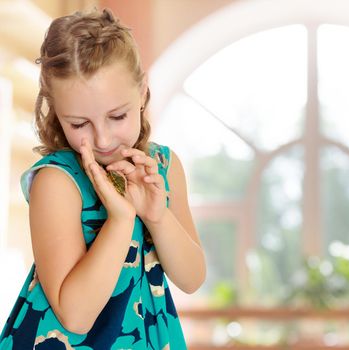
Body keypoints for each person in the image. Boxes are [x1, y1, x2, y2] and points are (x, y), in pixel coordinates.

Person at [0, 8, 206, 350]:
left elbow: (192, 278)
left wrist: (157, 215)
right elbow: (75, 316)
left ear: (141, 93)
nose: (103, 140)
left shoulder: (164, 167)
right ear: (56, 112)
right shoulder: (57, 181)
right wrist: (121, 219)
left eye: (117, 116)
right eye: (79, 124)